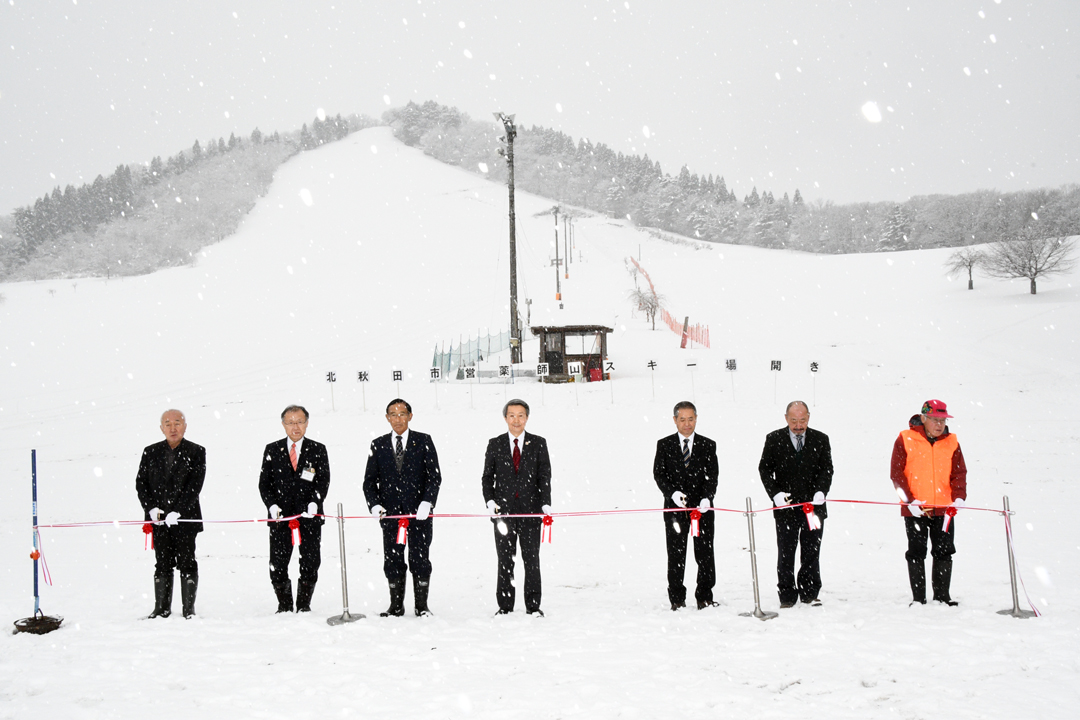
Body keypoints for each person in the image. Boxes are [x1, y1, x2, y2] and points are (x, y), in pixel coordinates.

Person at [364, 399, 443, 617]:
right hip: (390, 515)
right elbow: (369, 481)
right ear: (387, 417)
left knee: (420, 559)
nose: (398, 419)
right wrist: (375, 504)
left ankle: (422, 606)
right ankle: (396, 606)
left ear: (410, 415)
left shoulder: (423, 441)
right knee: (393, 560)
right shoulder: (378, 444)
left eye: (402, 414)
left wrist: (428, 501)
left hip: (419, 514)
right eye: (393, 414)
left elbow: (434, 477)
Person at [890, 399, 967, 606]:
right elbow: (897, 474)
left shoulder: (952, 442)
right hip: (916, 510)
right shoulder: (905, 439)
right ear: (923, 418)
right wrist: (909, 502)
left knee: (944, 551)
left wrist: (959, 496)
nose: (939, 424)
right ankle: (918, 599)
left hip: (944, 510)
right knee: (916, 552)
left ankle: (942, 597)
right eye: (934, 419)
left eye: (942, 420)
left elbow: (959, 473)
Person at [758, 400, 834, 608]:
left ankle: (810, 592)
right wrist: (775, 494)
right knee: (786, 552)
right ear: (786, 419)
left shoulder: (820, 439)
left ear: (808, 417)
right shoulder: (774, 439)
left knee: (811, 551)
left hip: (814, 508)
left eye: (802, 420)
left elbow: (827, 469)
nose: (798, 425)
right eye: (794, 421)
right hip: (786, 508)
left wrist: (821, 491)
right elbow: (764, 469)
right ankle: (787, 595)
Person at [482, 399, 552, 616]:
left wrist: (545, 504)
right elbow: (487, 478)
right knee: (505, 560)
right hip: (503, 514)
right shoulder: (495, 444)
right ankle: (505, 606)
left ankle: (533, 606)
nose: (516, 420)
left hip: (530, 513)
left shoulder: (538, 443)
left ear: (527, 418)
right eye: (511, 415)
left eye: (521, 415)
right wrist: (491, 502)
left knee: (532, 560)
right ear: (505, 418)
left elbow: (544, 476)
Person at [258, 405, 331, 613]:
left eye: (299, 421)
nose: (295, 426)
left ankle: (304, 605)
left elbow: (323, 480)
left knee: (310, 562)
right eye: (290, 422)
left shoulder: (318, 449)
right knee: (278, 564)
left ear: (307, 423)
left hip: (309, 517)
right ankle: (284, 605)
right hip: (280, 518)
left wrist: (315, 502)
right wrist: (271, 505)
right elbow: (264, 484)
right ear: (283, 425)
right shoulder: (272, 449)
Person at [136, 409, 206, 619]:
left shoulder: (196, 451)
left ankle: (188, 609)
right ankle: (161, 608)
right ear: (161, 428)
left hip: (185, 519)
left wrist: (179, 511)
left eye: (177, 423)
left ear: (185, 426)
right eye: (168, 423)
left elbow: (195, 485)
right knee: (162, 562)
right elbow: (141, 483)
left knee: (187, 561)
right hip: (158, 521)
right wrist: (151, 509)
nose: (173, 428)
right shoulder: (150, 451)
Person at [653, 401, 720, 611]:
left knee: (705, 554)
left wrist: (706, 497)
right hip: (675, 511)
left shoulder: (708, 445)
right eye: (682, 419)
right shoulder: (664, 444)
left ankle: (705, 597)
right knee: (676, 554)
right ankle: (677, 599)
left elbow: (712, 475)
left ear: (696, 418)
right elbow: (659, 474)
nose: (687, 424)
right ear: (675, 420)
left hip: (703, 511)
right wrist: (672, 493)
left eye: (691, 419)